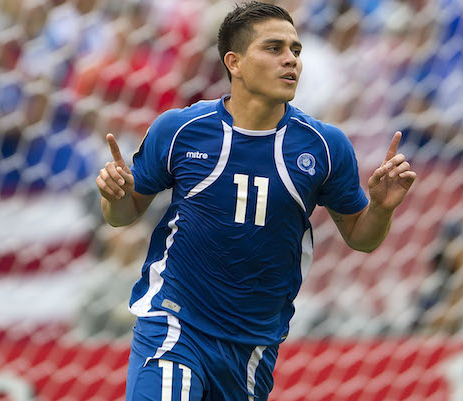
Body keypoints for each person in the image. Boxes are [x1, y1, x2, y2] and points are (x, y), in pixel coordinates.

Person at [96, 2, 416, 400]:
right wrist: (116, 196)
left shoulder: (325, 146)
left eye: (296, 51)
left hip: (253, 346)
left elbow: (360, 237)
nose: (291, 61)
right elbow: (123, 215)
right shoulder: (180, 130)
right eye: (274, 49)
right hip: (175, 324)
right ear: (234, 62)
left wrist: (382, 209)